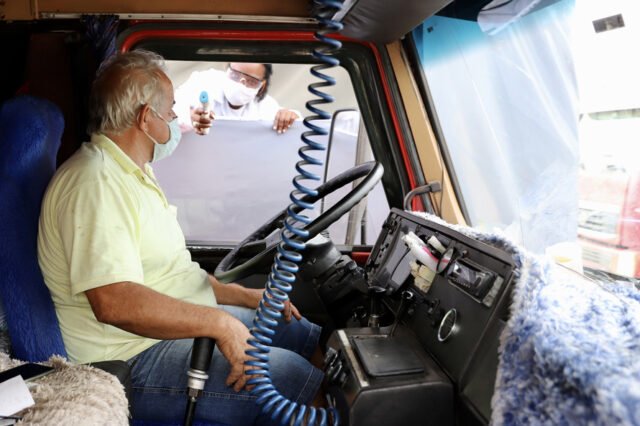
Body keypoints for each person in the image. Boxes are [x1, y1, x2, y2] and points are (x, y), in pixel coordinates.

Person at [37, 50, 324, 425]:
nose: (175, 117)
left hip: (164, 327)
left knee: (295, 329)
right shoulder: (95, 183)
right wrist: (220, 323)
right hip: (129, 356)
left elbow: (172, 272)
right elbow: (114, 302)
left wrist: (248, 297)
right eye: (170, 109)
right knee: (290, 380)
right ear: (145, 118)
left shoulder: (134, 173)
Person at [174, 62, 300, 135]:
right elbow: (169, 110)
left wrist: (289, 116)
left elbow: (291, 121)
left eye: (251, 81)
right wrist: (188, 117)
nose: (241, 84)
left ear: (262, 86)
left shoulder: (265, 105)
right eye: (235, 75)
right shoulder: (203, 81)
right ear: (226, 68)